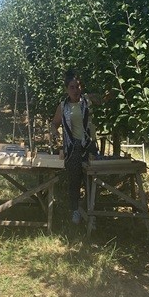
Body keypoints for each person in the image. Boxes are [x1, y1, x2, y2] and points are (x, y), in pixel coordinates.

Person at [50, 70, 99, 225]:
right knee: (74, 180)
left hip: (89, 145)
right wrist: (54, 133)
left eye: (78, 87)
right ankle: (75, 211)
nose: (76, 90)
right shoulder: (63, 106)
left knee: (91, 180)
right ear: (66, 89)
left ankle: (91, 213)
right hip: (72, 147)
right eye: (72, 87)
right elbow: (54, 123)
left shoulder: (87, 101)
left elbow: (104, 98)